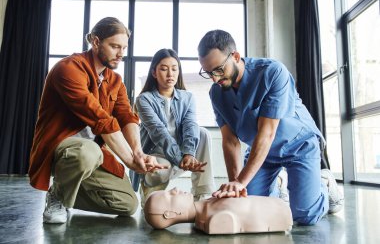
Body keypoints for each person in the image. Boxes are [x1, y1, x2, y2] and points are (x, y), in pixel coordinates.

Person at [196, 29, 344, 226]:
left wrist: (241, 181)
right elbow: (230, 141)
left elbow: (267, 134)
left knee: (304, 215)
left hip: (299, 145)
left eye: (219, 70)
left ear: (236, 56)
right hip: (262, 154)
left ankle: (324, 184)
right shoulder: (217, 93)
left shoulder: (272, 72)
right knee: (250, 204)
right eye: (208, 73)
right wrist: (236, 188)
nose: (214, 78)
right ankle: (280, 184)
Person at [29, 17, 165, 224]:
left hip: (94, 156)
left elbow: (126, 116)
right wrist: (130, 161)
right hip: (63, 150)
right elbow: (101, 120)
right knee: (87, 152)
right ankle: (57, 195)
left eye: (124, 48)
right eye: (114, 46)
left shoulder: (115, 80)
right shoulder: (68, 69)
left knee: (128, 205)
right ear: (95, 42)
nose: (121, 54)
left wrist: (138, 152)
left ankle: (69, 192)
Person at [130, 48, 215, 206]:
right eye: (164, 69)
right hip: (157, 154)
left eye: (174, 69)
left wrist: (189, 153)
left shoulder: (187, 97)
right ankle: (149, 189)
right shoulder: (144, 99)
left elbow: (190, 124)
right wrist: (181, 159)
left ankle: (202, 194)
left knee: (202, 132)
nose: (170, 74)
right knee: (159, 174)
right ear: (154, 72)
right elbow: (159, 132)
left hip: (182, 153)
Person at [144, 187, 293, 234]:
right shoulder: (214, 220)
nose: (175, 189)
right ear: (169, 214)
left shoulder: (207, 204)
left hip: (279, 207)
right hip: (280, 213)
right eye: (170, 195)